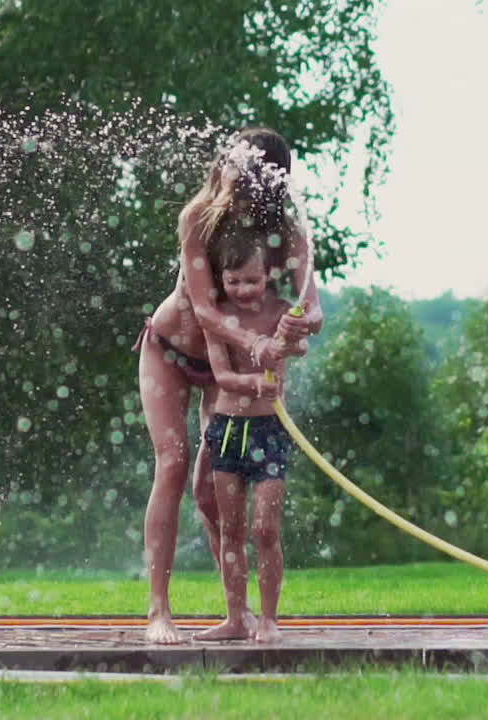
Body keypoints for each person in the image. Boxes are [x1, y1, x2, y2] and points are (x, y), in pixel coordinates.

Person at [134, 127, 323, 644]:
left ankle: (238, 616)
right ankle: (158, 612)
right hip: (170, 352)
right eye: (242, 176)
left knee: (213, 494)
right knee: (172, 462)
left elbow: (311, 302)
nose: (248, 189)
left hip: (228, 371)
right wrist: (255, 343)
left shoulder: (284, 231)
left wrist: (304, 322)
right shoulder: (198, 217)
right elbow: (203, 309)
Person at [194, 224, 295, 644]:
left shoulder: (281, 312)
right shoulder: (219, 318)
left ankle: (269, 620)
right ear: (221, 280)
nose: (242, 289)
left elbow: (299, 342)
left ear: (267, 275)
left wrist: (293, 341)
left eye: (251, 280)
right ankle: (237, 617)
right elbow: (221, 375)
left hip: (270, 431)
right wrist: (254, 382)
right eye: (233, 281)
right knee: (230, 529)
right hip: (228, 429)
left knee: (265, 529)